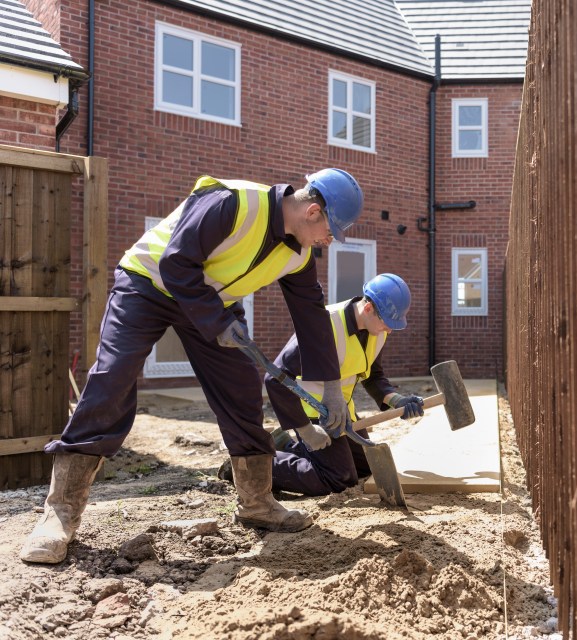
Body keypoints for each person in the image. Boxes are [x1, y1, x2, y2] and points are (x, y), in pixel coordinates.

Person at [20, 169, 364, 565]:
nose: (328, 242)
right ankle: (59, 515)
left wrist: (333, 387)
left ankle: (257, 502)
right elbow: (176, 263)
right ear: (313, 211)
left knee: (242, 392)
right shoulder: (232, 202)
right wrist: (217, 324)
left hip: (212, 302)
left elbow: (312, 317)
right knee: (111, 379)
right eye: (331, 232)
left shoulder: (299, 254)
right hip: (148, 284)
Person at [218, 273, 424, 496]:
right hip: (312, 413)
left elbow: (374, 377)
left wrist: (397, 400)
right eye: (387, 322)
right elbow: (275, 380)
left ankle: (289, 447)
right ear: (368, 309)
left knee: (366, 467)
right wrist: (305, 430)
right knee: (338, 478)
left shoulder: (377, 331)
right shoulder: (324, 324)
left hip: (342, 412)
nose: (390, 330)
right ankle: (249, 464)